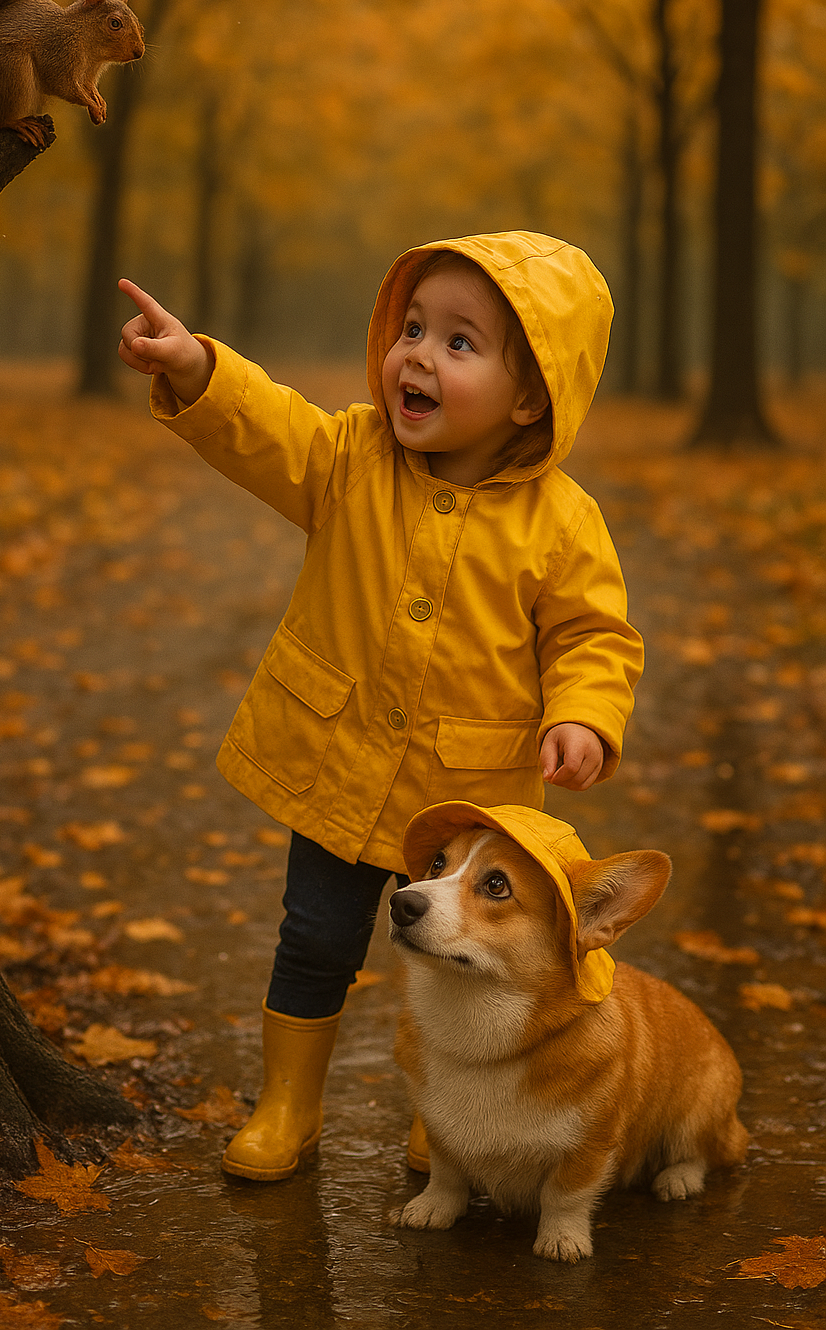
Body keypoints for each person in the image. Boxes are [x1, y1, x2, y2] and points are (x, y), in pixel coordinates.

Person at [116, 231, 644, 1182]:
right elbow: (268, 428)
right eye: (412, 329)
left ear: (531, 397)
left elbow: (592, 636)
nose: (418, 356)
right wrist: (197, 369)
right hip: (339, 766)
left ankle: (445, 1112)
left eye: (458, 343)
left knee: (457, 959)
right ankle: (290, 1104)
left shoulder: (563, 523)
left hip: (465, 803)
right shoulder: (353, 457)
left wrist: (584, 714)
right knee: (314, 938)